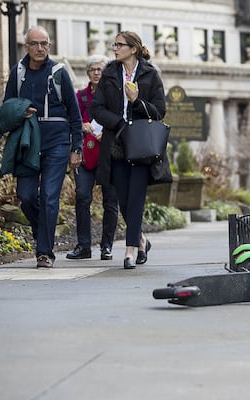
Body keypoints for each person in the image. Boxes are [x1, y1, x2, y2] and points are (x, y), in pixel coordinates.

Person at [1, 26, 83, 268]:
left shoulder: (59, 72)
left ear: (49, 45)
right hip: (28, 142)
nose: (40, 48)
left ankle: (44, 253)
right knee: (26, 196)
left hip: (56, 142)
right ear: (26, 46)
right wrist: (19, 111)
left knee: (49, 196)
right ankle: (43, 235)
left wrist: (76, 147)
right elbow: (7, 106)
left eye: (44, 43)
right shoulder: (18, 72)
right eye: (35, 44)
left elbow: (75, 114)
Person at [91, 31, 166, 269]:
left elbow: (159, 111)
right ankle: (141, 239)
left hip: (141, 144)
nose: (115, 48)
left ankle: (130, 249)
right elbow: (97, 109)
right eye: (114, 44)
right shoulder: (109, 74)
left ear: (133, 49)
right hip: (116, 143)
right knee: (122, 198)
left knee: (136, 198)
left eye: (119, 45)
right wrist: (119, 123)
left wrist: (137, 102)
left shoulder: (151, 75)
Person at [66, 55, 119, 261]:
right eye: (93, 69)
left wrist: (107, 130)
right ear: (87, 73)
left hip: (109, 155)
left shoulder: (114, 95)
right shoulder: (80, 97)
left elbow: (121, 119)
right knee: (82, 197)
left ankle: (107, 246)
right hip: (86, 155)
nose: (97, 72)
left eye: (101, 69)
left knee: (110, 202)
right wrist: (81, 126)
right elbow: (72, 119)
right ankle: (84, 246)